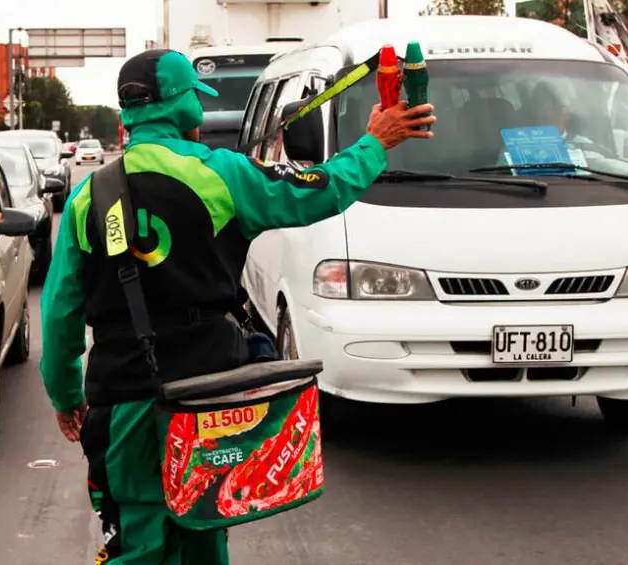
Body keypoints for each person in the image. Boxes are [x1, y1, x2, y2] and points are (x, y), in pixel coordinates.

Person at [40, 48, 435, 565]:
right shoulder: (222, 174)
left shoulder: (87, 198)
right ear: (184, 108)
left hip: (124, 402)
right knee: (206, 527)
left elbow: (60, 314)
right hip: (210, 398)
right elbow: (321, 191)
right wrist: (377, 141)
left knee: (138, 542)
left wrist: (66, 395)